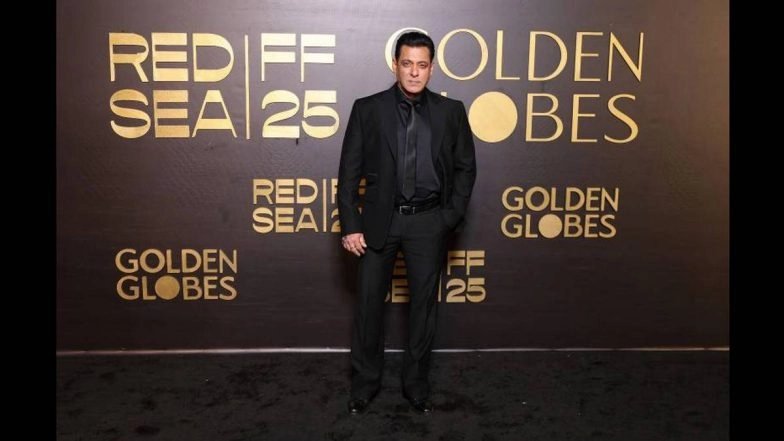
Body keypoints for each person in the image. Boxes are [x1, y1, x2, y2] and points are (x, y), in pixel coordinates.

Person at [337, 31, 477, 415]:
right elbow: (348, 174)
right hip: (378, 222)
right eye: (407, 63)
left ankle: (416, 384)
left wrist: (449, 217)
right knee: (369, 306)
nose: (414, 72)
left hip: (428, 222)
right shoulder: (367, 109)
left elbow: (466, 168)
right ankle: (365, 384)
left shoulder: (451, 112)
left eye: (422, 65)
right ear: (395, 65)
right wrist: (351, 224)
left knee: (423, 310)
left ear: (432, 69)